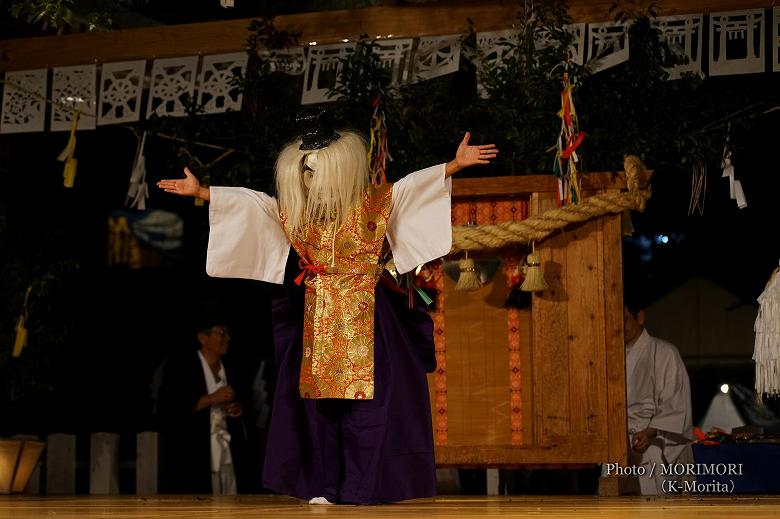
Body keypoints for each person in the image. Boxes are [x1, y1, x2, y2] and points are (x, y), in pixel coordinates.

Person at [157, 108, 497, 504]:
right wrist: (202, 193)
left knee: (372, 409)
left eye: (318, 170)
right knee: (319, 410)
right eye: (307, 171)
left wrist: (454, 164)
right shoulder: (298, 214)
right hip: (318, 315)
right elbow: (259, 206)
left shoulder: (373, 202)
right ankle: (325, 486)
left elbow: (408, 190)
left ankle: (364, 486)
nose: (313, 179)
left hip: (367, 315)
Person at [157, 311, 248, 495]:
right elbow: (171, 407)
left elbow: (244, 406)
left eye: (228, 333)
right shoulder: (182, 367)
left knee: (231, 494)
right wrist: (211, 398)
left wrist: (236, 410)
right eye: (221, 332)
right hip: (193, 450)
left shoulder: (230, 368)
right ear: (203, 337)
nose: (227, 338)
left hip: (226, 447)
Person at [623, 293, 693, 495]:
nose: (619, 326)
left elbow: (676, 403)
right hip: (617, 448)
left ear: (641, 317)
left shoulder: (664, 352)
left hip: (650, 443)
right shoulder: (609, 356)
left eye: (625, 319)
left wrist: (650, 431)